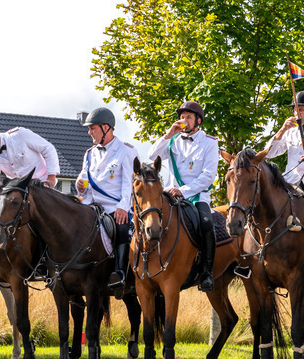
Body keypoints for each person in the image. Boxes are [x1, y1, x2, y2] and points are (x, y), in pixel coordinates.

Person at [147, 100, 220, 292]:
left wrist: (184, 190)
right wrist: (168, 134)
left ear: (198, 120)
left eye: (188, 117)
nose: (184, 120)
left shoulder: (210, 142)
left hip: (196, 196)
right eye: (181, 117)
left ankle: (207, 272)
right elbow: (151, 155)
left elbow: (208, 175)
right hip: (170, 195)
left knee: (206, 223)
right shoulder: (172, 140)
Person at [76, 107, 137, 298]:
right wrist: (80, 185)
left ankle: (120, 273)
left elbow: (129, 183)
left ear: (105, 127)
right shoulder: (89, 153)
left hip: (114, 206)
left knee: (121, 228)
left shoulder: (126, 151)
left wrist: (123, 208)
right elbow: (84, 178)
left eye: (92, 128)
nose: (89, 132)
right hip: (90, 205)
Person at [0, 117, 60, 188]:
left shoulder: (20, 135)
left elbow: (48, 149)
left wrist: (51, 177)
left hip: (43, 185)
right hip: (19, 193)